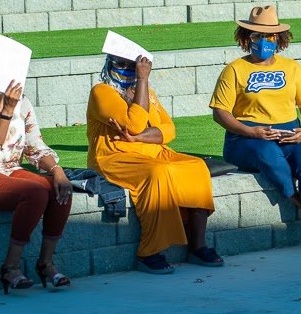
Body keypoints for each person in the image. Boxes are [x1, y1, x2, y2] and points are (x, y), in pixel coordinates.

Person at [210, 5, 301, 252]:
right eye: (257, 35)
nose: (264, 41)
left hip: (288, 133)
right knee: (269, 156)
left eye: (270, 36)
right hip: (244, 138)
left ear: (279, 38)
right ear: (247, 38)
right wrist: (251, 132)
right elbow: (220, 113)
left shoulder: (292, 68)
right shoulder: (234, 70)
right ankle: (300, 202)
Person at [88, 53, 223, 274]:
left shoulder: (147, 94)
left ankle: (197, 245)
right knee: (158, 172)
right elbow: (133, 124)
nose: (125, 69)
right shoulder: (101, 92)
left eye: (131, 65)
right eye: (120, 64)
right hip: (115, 156)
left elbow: (169, 130)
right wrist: (142, 80)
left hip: (153, 151)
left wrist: (140, 138)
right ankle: (148, 251)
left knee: (197, 167)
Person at [0, 45, 73, 293]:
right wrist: (7, 112)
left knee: (59, 189)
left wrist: (57, 170)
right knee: (35, 191)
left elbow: (34, 145)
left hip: (9, 170)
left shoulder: (23, 102)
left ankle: (46, 263)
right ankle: (10, 268)